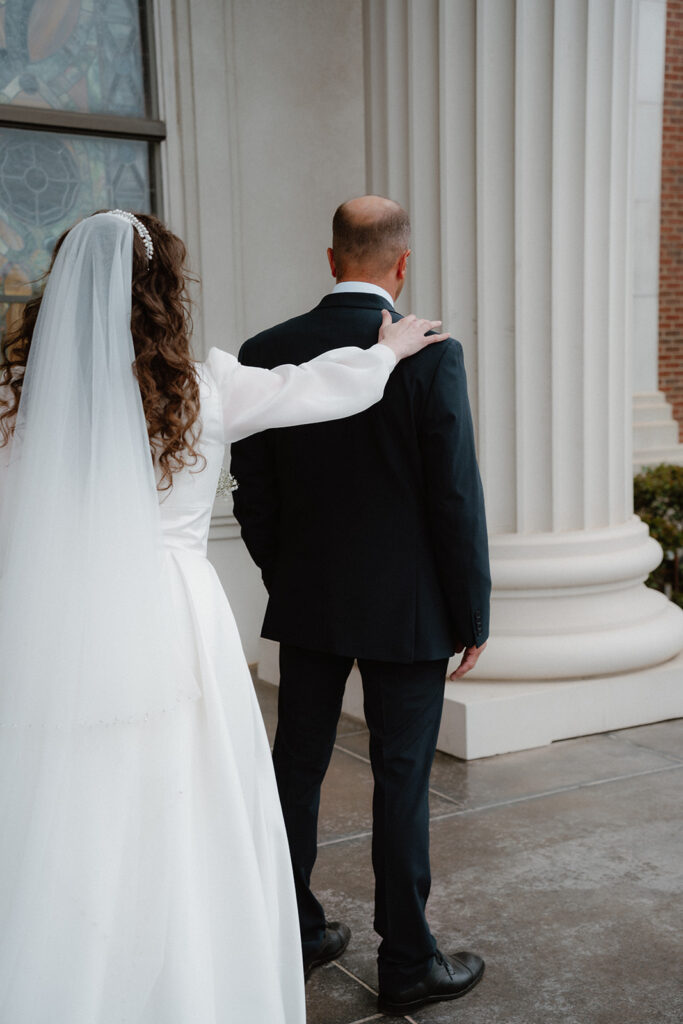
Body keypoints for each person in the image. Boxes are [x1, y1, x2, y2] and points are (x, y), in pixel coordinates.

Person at [0, 210, 448, 1024]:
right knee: (186, 798)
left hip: (60, 623)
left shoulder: (15, 404)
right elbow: (312, 390)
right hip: (173, 620)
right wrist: (386, 349)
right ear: (162, 292)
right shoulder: (199, 391)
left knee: (82, 802)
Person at [230, 195, 491, 1016]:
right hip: (407, 608)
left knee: (296, 767)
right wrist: (470, 611)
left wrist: (289, 572)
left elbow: (254, 493)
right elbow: (452, 493)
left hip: (308, 597)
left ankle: (293, 929)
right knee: (400, 777)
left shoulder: (264, 350)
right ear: (400, 264)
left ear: (332, 258)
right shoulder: (428, 351)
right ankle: (408, 962)